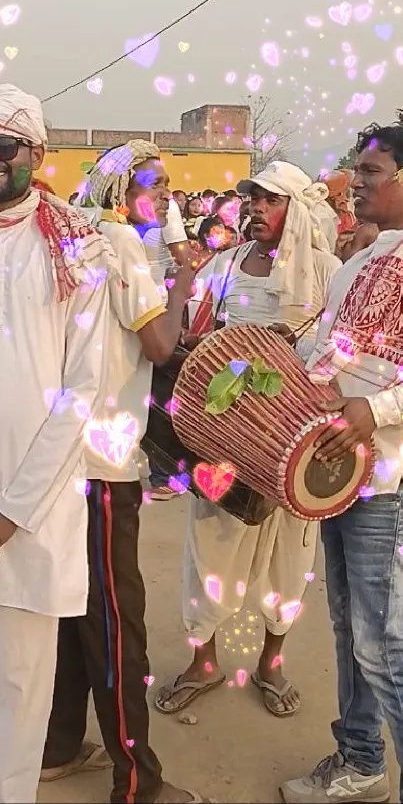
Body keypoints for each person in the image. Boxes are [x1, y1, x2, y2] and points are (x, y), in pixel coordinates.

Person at [41, 140, 211, 804]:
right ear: (121, 192)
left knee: (72, 609)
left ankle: (57, 745)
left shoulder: (79, 240)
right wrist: (184, 283)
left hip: (63, 457)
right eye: (155, 183)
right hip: (104, 463)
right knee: (118, 622)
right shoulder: (123, 246)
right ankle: (137, 782)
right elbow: (161, 343)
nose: (167, 194)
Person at [155, 161, 341, 719]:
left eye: (269, 200)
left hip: (292, 438)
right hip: (226, 435)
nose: (257, 208)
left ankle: (271, 662)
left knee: (291, 553)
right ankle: (204, 660)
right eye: (252, 199)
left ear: (295, 210)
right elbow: (197, 334)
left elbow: (337, 352)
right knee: (208, 545)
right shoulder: (229, 264)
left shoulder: (330, 271)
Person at [281, 123, 403, 803]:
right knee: (348, 630)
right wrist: (291, 366)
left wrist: (374, 412)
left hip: (384, 481)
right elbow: (332, 352)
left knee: (381, 646)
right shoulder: (360, 261)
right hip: (334, 472)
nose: (356, 182)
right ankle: (360, 762)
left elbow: (378, 387)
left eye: (374, 170)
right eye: (357, 169)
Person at [0, 84, 114, 803]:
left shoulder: (76, 245)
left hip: (29, 516)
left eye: (0, 147)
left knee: (19, 689)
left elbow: (78, 393)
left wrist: (11, 510)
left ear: (36, 155)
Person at [142, 197, 191, 501]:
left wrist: (176, 304)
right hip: (120, 312)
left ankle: (167, 474)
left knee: (159, 397)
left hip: (157, 311)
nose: (161, 191)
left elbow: (182, 258)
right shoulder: (102, 214)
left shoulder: (166, 207)